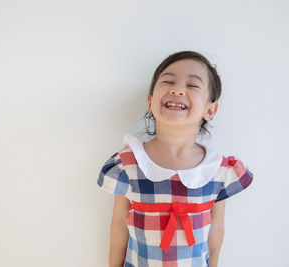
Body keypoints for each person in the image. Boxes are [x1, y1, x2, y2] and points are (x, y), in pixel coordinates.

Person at [96, 51, 254, 267]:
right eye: (168, 81)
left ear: (210, 109)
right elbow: (119, 224)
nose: (177, 89)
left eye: (193, 85)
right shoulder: (128, 165)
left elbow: (216, 229)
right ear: (150, 101)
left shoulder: (219, 170)